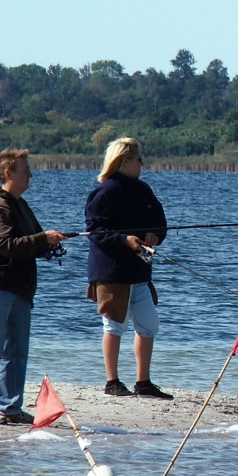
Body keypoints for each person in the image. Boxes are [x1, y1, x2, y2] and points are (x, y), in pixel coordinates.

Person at [0, 149, 67, 424]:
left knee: (17, 350)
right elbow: (5, 245)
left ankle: (10, 406)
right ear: (9, 173)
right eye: (26, 170)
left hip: (20, 287)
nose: (31, 174)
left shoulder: (20, 205)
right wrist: (42, 239)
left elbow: (31, 243)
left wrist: (48, 244)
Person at [85, 137, 172, 398]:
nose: (142, 163)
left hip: (139, 271)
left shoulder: (143, 189)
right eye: (138, 159)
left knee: (149, 323)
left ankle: (143, 382)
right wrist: (124, 239)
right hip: (112, 273)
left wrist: (155, 235)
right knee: (114, 325)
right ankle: (112, 382)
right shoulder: (105, 192)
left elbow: (159, 219)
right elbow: (95, 232)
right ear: (124, 161)